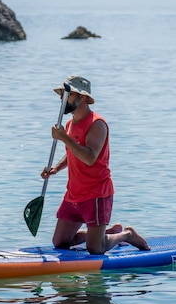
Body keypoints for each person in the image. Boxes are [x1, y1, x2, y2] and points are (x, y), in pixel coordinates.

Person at [41, 75, 150, 255]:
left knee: (95, 248)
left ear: (82, 98)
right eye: (61, 94)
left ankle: (126, 235)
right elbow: (72, 152)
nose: (61, 99)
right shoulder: (69, 124)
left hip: (96, 194)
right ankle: (104, 233)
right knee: (60, 242)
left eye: (67, 94)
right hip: (74, 194)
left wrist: (64, 138)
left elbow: (90, 157)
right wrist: (55, 169)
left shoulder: (97, 124)